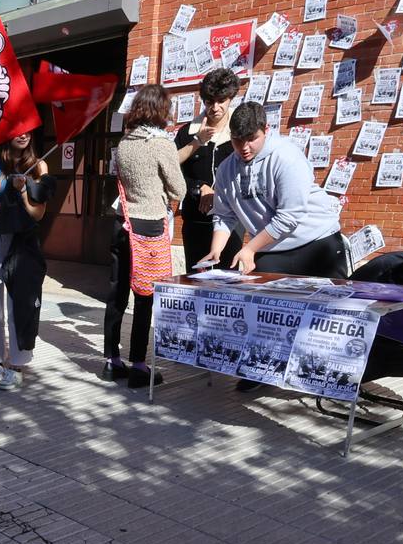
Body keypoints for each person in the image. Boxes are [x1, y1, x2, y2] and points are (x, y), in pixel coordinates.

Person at [202, 101, 347, 278]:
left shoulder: (286, 157)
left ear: (266, 130)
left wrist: (250, 248)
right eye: (237, 140)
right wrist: (216, 250)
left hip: (317, 243)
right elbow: (225, 214)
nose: (244, 147)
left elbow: (289, 216)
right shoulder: (226, 169)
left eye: (251, 138)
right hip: (270, 248)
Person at [105, 85, 187, 387]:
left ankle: (111, 360)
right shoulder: (162, 144)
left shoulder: (125, 143)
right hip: (149, 225)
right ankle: (138, 365)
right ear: (160, 110)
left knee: (117, 292)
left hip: (121, 220)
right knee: (144, 296)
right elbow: (179, 189)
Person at [0, 129, 52, 391]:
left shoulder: (38, 165)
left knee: (19, 304)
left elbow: (39, 213)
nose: (24, 135)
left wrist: (22, 192)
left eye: (28, 130)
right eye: (17, 130)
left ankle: (18, 364)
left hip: (22, 241)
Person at [176, 68, 244, 270]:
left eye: (221, 100)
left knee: (227, 281)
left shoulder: (240, 131)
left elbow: (249, 170)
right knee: (195, 278)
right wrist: (198, 187)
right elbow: (172, 169)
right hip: (196, 220)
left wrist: (218, 192)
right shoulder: (187, 132)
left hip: (232, 218)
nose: (215, 107)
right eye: (209, 102)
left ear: (231, 98)